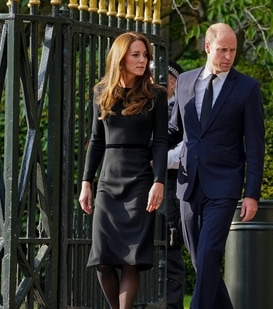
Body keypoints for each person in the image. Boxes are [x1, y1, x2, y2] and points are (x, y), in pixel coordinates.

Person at [167, 23, 265, 309]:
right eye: (223, 49)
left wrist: (251, 193)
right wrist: (144, 145)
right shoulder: (185, 81)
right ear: (208, 47)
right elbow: (175, 130)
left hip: (224, 185)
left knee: (210, 252)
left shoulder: (247, 88)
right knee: (200, 258)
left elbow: (256, 146)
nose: (228, 56)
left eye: (233, 50)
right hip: (187, 183)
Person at [78, 31, 168, 309]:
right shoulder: (101, 92)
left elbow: (161, 142)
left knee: (131, 259)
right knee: (103, 260)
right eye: (136, 55)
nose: (143, 61)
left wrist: (159, 181)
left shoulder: (156, 95)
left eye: (146, 56)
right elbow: (96, 140)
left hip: (140, 181)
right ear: (121, 57)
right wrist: (86, 182)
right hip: (108, 181)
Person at [164, 60, 186, 309]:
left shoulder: (184, 107)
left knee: (171, 247)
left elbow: (185, 150)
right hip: (143, 183)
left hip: (171, 184)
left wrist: (156, 160)